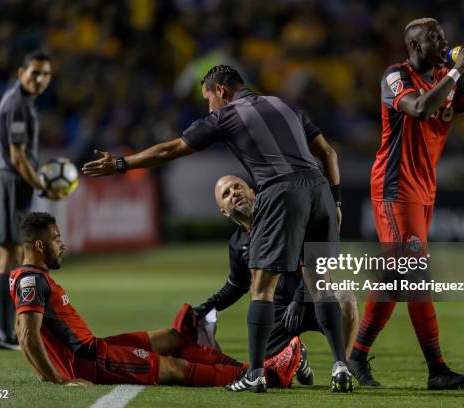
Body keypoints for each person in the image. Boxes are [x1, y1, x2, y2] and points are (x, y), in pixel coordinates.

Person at [83, 65, 351, 393]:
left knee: (262, 285)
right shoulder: (285, 106)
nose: (208, 108)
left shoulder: (227, 115)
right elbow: (328, 153)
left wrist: (123, 163)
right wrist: (335, 201)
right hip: (321, 190)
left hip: (282, 191)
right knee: (321, 283)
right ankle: (340, 365)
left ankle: (254, 374)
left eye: (208, 99)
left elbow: (172, 149)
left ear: (221, 91)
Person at [349, 18, 464, 390]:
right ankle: (436, 369)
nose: (444, 41)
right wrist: (454, 75)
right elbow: (418, 109)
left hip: (424, 190)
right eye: (434, 38)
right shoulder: (394, 77)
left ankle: (355, 357)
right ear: (416, 47)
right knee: (415, 274)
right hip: (394, 187)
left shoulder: (449, 77)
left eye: (443, 35)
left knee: (395, 276)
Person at [12, 211, 300, 388]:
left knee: (171, 337)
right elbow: (26, 335)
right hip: (92, 361)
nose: (61, 244)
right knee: (174, 368)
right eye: (56, 239)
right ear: (40, 245)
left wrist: (42, 373)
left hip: (94, 348)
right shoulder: (31, 281)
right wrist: (58, 380)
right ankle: (267, 375)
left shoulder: (28, 278)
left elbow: (20, 329)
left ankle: (249, 368)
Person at [188, 175, 360, 385]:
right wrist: (206, 307)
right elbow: (237, 285)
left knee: (346, 300)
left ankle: (341, 368)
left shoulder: (282, 215)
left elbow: (315, 261)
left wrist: (299, 300)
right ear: (223, 211)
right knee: (271, 376)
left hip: (311, 299)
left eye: (237, 187)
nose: (234, 193)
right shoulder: (237, 243)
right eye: (226, 194)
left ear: (252, 192)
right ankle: (298, 359)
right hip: (276, 313)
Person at [0, 50, 59, 350]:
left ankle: (9, 330)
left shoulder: (25, 102)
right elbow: (18, 158)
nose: (40, 78)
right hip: (11, 182)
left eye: (45, 74)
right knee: (10, 254)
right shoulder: (18, 104)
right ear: (21, 73)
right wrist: (42, 185)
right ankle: (6, 333)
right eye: (34, 72)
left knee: (15, 254)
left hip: (16, 184)